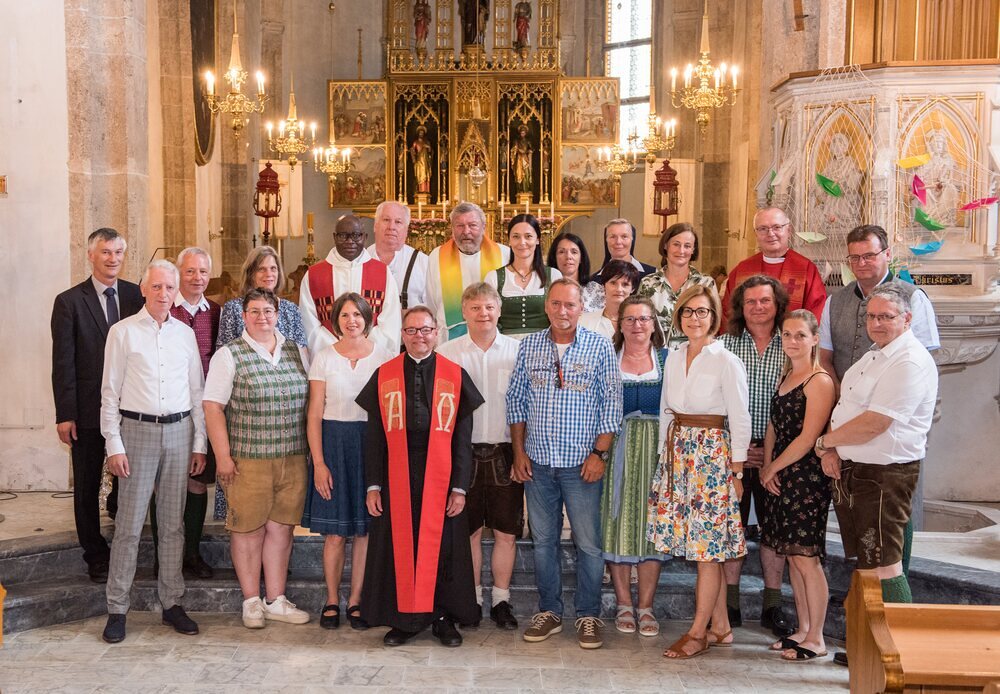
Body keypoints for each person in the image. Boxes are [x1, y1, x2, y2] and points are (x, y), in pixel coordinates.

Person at [817, 224, 939, 667]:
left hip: (886, 474)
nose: (877, 323)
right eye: (872, 317)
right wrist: (834, 448)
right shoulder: (875, 353)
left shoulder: (909, 360)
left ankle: (898, 653)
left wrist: (825, 442)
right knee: (868, 563)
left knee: (886, 564)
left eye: (887, 317)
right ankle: (865, 647)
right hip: (859, 469)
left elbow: (875, 422)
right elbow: (849, 405)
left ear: (907, 320)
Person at [356, 307, 485, 647]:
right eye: (412, 330)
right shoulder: (385, 375)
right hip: (395, 474)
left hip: (441, 475)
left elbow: (463, 439)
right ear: (402, 334)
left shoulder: (454, 375)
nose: (419, 336)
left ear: (436, 333)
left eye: (425, 329)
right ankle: (405, 619)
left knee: (443, 547)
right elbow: (374, 436)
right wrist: (373, 485)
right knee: (399, 546)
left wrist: (460, 487)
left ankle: (442, 617)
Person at [507, 279, 623, 650]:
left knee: (588, 543)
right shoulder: (530, 346)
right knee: (543, 543)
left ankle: (588, 615)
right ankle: (550, 611)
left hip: (581, 464)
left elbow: (611, 404)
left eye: (570, 305)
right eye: (556, 304)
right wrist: (519, 452)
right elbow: (516, 401)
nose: (562, 311)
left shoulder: (599, 346)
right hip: (538, 463)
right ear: (546, 306)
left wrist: (599, 454)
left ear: (580, 308)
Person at [99, 260, 207, 644]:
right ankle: (117, 608)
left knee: (173, 525)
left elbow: (197, 391)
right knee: (129, 526)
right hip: (137, 432)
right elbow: (109, 393)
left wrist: (199, 443)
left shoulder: (185, 334)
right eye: (157, 287)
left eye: (169, 288)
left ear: (177, 293)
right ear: (144, 289)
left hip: (180, 432)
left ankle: (172, 603)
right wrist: (114, 445)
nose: (163, 294)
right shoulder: (122, 332)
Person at [647, 284, 751, 659]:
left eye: (702, 311)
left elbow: (740, 417)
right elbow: (666, 411)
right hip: (678, 455)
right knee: (702, 549)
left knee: (707, 551)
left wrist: (737, 473)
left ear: (714, 317)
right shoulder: (674, 356)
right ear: (679, 316)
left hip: (711, 458)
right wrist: (664, 462)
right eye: (688, 311)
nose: (695, 318)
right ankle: (721, 627)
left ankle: (697, 633)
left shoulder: (726, 360)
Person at [204, 288, 311, 630]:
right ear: (243, 315)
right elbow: (212, 407)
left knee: (281, 529)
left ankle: (276, 599)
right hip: (248, 460)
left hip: (292, 457)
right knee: (248, 530)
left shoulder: (297, 351)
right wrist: (223, 457)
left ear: (278, 314)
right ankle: (251, 600)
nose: (262, 317)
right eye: (254, 311)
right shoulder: (229, 354)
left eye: (268, 311)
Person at [51, 228, 143, 583]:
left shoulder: (136, 295)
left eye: (118, 252)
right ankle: (95, 554)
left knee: (128, 477)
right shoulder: (69, 302)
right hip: (87, 409)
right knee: (87, 484)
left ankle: (124, 541)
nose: (112, 259)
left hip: (131, 406)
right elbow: (63, 361)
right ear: (91, 255)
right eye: (105, 252)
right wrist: (66, 414)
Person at [302, 293, 394, 630]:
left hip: (371, 444)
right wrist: (319, 463)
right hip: (333, 444)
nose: (351, 321)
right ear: (336, 320)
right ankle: (331, 599)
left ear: (368, 319)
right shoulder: (324, 358)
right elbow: (314, 414)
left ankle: (356, 600)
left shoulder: (385, 357)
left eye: (357, 315)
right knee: (335, 533)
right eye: (345, 315)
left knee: (365, 531)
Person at [438, 283, 522, 630]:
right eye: (475, 308)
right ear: (464, 312)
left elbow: (526, 406)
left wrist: (522, 454)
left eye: (489, 307)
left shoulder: (517, 351)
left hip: (506, 451)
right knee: (469, 533)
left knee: (506, 533)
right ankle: (470, 600)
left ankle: (501, 601)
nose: (483, 314)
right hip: (463, 454)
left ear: (499, 310)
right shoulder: (447, 353)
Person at [719, 275, 794, 639]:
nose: (758, 307)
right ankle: (730, 603)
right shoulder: (724, 344)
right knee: (731, 528)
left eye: (765, 300)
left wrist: (771, 452)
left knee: (774, 531)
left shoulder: (792, 343)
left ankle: (772, 604)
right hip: (733, 451)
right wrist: (738, 448)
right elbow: (714, 399)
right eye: (750, 301)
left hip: (780, 455)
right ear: (740, 307)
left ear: (777, 304)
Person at [759, 310, 836, 661]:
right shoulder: (787, 374)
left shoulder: (819, 381)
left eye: (800, 335)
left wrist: (772, 467)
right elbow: (774, 426)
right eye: (787, 335)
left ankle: (817, 638)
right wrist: (768, 466)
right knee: (792, 557)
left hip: (806, 478)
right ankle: (802, 630)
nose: (792, 341)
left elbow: (808, 438)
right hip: (781, 476)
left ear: (815, 339)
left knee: (807, 559)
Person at [214, 246, 307, 521]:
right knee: (246, 516)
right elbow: (226, 352)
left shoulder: (290, 309)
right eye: (262, 268)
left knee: (282, 520)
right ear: (251, 273)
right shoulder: (234, 309)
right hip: (248, 420)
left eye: (273, 268)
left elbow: (302, 355)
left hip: (288, 429)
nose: (269, 274)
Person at [600, 296, 667, 637]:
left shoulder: (668, 360)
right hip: (616, 448)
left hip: (657, 451)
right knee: (618, 523)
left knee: (652, 527)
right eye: (630, 319)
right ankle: (624, 603)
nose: (637, 325)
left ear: (654, 324)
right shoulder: (607, 359)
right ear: (620, 324)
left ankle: (646, 606)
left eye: (643, 319)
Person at [819, 224, 939, 389]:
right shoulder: (834, 301)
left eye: (869, 256)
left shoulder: (913, 298)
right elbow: (823, 358)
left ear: (887, 254)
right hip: (841, 399)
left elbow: (922, 359)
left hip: (893, 397)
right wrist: (840, 394)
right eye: (854, 257)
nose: (861, 263)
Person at [163, 247, 220, 580]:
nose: (197, 278)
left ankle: (192, 554)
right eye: (190, 271)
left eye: (203, 271)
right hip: (170, 406)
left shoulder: (216, 312)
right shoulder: (165, 309)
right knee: (166, 484)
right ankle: (165, 556)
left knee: (197, 482)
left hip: (205, 408)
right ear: (178, 274)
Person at [299, 214, 401, 357]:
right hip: (329, 358)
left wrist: (364, 348)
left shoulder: (382, 273)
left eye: (356, 235)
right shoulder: (313, 275)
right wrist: (337, 350)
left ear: (365, 237)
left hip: (372, 358)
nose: (350, 241)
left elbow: (391, 321)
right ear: (334, 237)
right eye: (343, 235)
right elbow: (309, 324)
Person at [721, 207, 827, 324]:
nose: (770, 234)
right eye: (763, 229)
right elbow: (728, 314)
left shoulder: (806, 269)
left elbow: (815, 312)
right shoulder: (742, 270)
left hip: (792, 335)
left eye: (777, 227)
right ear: (756, 234)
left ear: (789, 231)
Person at [425, 202, 511, 341]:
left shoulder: (504, 254)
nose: (466, 231)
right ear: (452, 228)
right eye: (460, 226)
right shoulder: (437, 256)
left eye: (472, 225)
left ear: (483, 227)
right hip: (450, 337)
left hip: (493, 336)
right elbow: (431, 301)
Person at [637, 222, 715, 346]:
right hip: (657, 353)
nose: (681, 250)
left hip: (696, 351)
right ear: (665, 245)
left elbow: (713, 325)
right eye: (676, 244)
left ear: (693, 250)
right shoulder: (648, 283)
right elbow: (640, 323)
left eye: (687, 246)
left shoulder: (705, 283)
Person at [485, 214, 561, 339]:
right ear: (509, 240)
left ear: (537, 240)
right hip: (505, 346)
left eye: (528, 236)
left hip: (543, 345)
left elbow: (560, 316)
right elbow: (488, 319)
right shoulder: (493, 278)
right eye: (516, 236)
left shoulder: (554, 275)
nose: (522, 242)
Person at [582, 219, 656, 312]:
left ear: (632, 239)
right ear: (606, 240)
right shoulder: (594, 281)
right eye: (613, 237)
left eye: (624, 236)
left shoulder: (653, 275)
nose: (618, 242)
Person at [367, 200, 429, 310]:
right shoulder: (361, 259)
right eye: (386, 220)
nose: (391, 227)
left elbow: (432, 308)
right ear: (375, 226)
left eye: (398, 222)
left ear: (406, 230)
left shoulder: (423, 263)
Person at [579, 260, 640, 340]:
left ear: (633, 289)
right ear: (603, 286)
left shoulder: (643, 323)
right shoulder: (584, 321)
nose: (619, 289)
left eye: (625, 284)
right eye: (613, 283)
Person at [410, 126, 433, 194]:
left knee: (426, 174)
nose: (421, 134)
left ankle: (426, 190)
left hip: (426, 161)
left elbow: (430, 152)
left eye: (422, 133)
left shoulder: (427, 142)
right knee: (420, 175)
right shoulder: (416, 142)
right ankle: (420, 190)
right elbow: (412, 150)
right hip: (419, 161)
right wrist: (414, 158)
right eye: (420, 133)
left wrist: (428, 147)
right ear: (418, 134)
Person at [513, 125, 534, 195]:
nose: (522, 134)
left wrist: (529, 151)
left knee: (526, 174)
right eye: (521, 133)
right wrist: (516, 149)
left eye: (524, 133)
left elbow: (531, 149)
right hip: (519, 159)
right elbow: (514, 149)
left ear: (525, 133)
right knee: (519, 174)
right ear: (520, 133)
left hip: (525, 158)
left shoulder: (528, 141)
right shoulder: (517, 141)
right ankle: (520, 190)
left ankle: (526, 189)